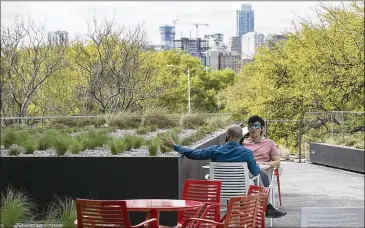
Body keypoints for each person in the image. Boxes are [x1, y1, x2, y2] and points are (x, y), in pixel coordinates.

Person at [162, 124, 260, 177]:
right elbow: (255, 172)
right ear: (241, 137)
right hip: (241, 191)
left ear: (228, 136)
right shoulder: (247, 153)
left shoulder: (215, 150)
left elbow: (193, 154)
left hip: (219, 190)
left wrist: (174, 146)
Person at [242, 115, 287, 218]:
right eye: (251, 126)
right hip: (244, 174)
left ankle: (261, 207)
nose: (253, 128)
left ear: (262, 128)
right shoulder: (242, 143)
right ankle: (267, 207)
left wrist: (264, 164)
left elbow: (277, 163)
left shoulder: (269, 143)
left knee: (258, 176)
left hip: (262, 173)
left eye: (256, 126)